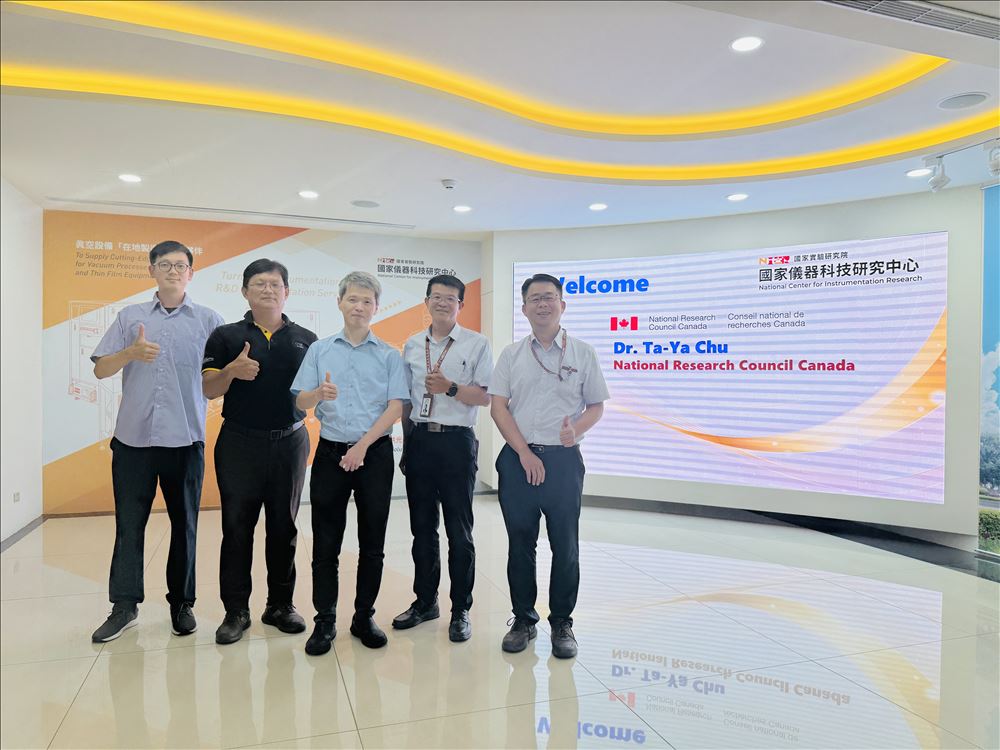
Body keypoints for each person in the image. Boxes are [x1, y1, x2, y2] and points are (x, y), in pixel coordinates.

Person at [90, 240, 224, 642]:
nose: (172, 271)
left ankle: (181, 604)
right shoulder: (130, 317)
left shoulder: (209, 320)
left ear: (191, 273)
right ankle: (124, 606)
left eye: (180, 265)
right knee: (129, 526)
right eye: (164, 264)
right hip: (133, 441)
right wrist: (130, 353)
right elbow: (100, 370)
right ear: (152, 270)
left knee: (185, 526)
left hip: (185, 441)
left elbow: (219, 377)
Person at [488, 273, 609, 658]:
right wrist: (524, 453)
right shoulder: (511, 355)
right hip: (518, 459)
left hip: (563, 462)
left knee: (565, 545)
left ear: (562, 304)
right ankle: (524, 619)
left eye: (549, 297)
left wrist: (577, 430)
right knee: (520, 543)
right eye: (535, 298)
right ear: (524, 308)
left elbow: (596, 406)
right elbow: (498, 407)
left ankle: (562, 623)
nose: (543, 304)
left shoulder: (583, 353)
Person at [290, 271, 409, 655]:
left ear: (376, 308)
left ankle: (363, 617)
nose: (359, 307)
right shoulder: (320, 350)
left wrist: (362, 447)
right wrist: (317, 394)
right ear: (339, 302)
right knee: (326, 543)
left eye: (366, 301)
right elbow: (300, 401)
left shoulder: (389, 355)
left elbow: (396, 407)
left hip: (373, 454)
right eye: (352, 299)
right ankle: (324, 620)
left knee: (373, 542)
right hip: (330, 454)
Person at [201, 259, 317, 645]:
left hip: (290, 442)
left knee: (284, 527)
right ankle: (236, 611)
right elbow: (209, 390)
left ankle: (280, 605)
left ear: (287, 292)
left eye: (275, 284)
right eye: (259, 284)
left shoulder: (307, 339)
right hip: (239, 444)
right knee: (237, 529)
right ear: (244, 291)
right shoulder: (225, 336)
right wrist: (231, 371)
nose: (268, 290)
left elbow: (312, 393)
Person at [392, 275, 493, 642]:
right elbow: (407, 400)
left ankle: (460, 609)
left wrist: (450, 387)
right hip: (420, 440)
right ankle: (425, 602)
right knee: (422, 529)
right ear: (427, 302)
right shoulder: (412, 344)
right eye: (436, 297)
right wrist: (407, 445)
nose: (442, 303)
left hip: (456, 443)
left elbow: (485, 397)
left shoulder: (477, 344)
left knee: (459, 531)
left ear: (460, 305)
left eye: (450, 298)